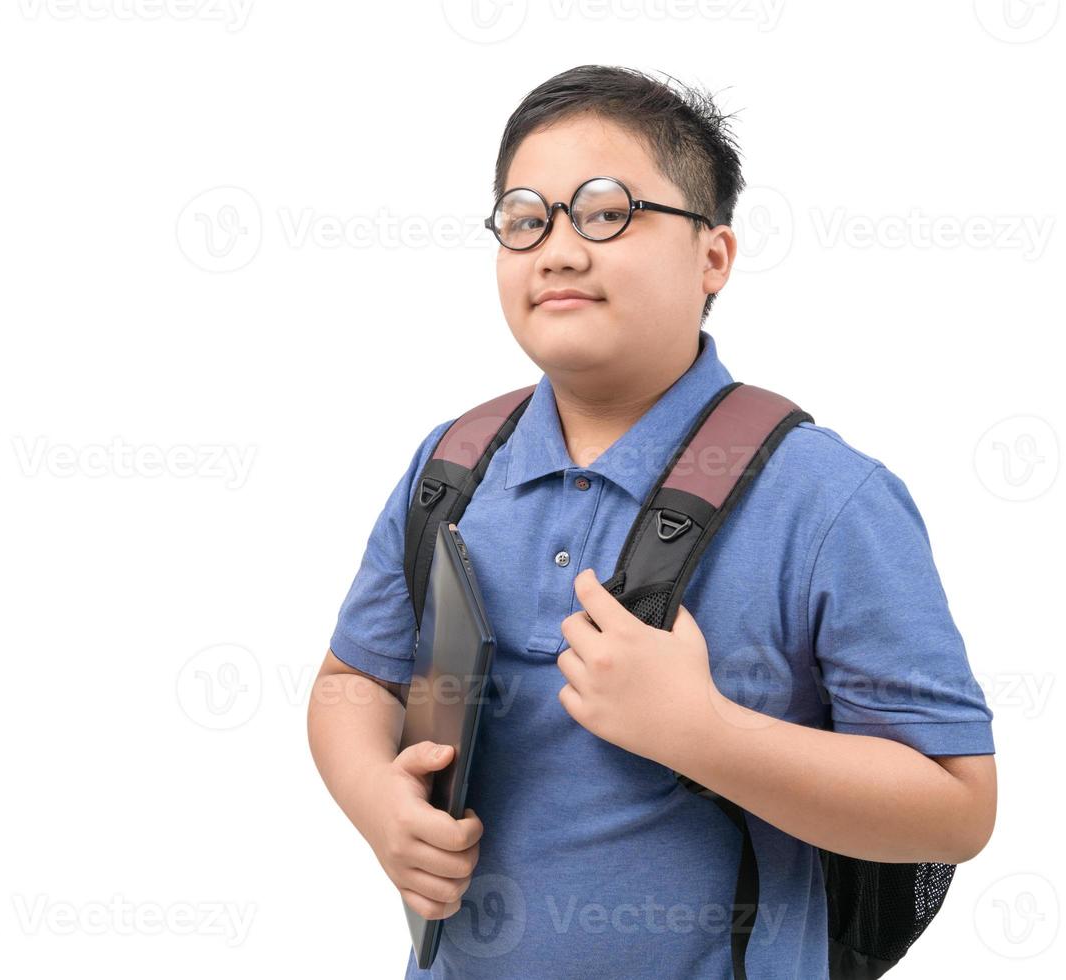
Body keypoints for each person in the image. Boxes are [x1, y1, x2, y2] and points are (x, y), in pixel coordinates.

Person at [306, 65, 997, 979]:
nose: (556, 248)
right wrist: (375, 801)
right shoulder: (452, 465)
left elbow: (957, 806)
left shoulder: (826, 498)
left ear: (712, 255)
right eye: (523, 218)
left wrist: (703, 734)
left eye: (606, 211)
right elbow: (351, 680)